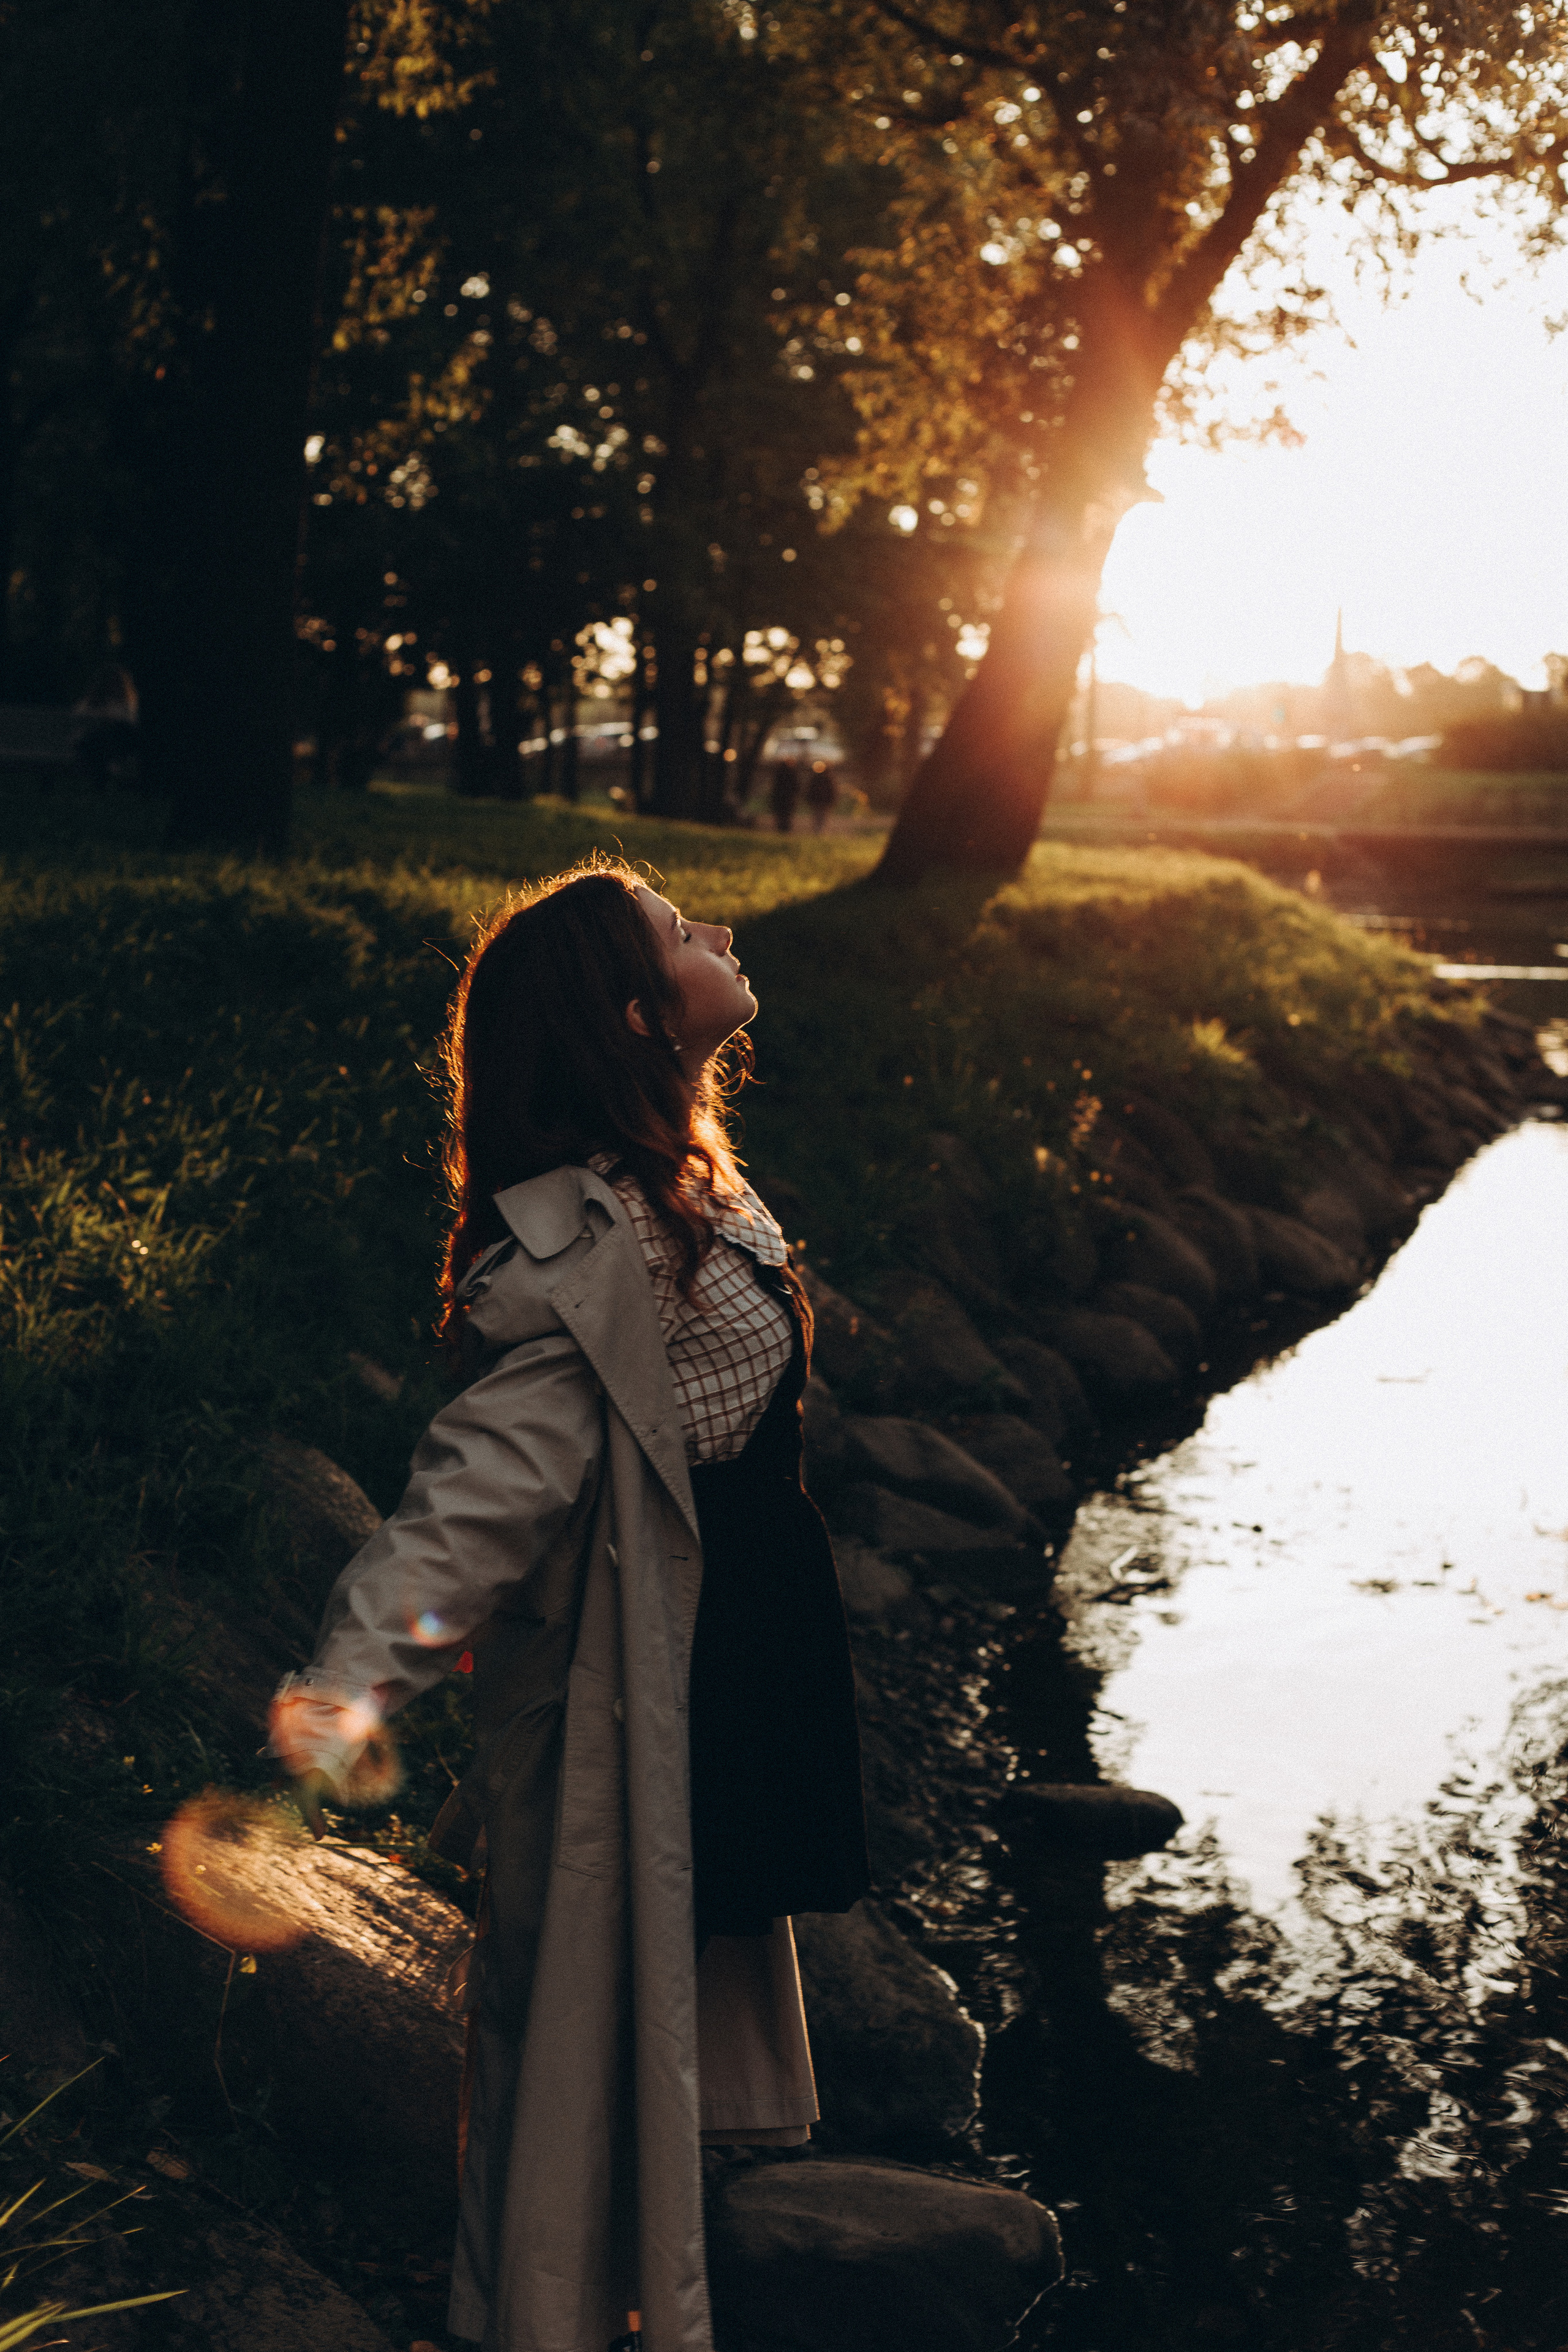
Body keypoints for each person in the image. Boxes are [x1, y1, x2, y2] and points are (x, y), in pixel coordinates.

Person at [268, 859, 869, 2352]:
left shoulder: (681, 1179)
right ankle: (547, 2318)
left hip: (730, 1646)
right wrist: (349, 1686)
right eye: (680, 929)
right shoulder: (592, 1253)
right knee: (588, 2022)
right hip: (640, 1671)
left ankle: (645, 2273)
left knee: (667, 1990)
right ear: (628, 1013)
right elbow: (474, 1490)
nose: (717, 930)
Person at [767, 757, 801, 834]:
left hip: (780, 798)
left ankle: (781, 829)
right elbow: (796, 787)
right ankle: (785, 829)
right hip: (788, 798)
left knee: (781, 815)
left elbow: (775, 787)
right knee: (787, 815)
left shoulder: (779, 774)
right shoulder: (792, 774)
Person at [804, 760, 837, 834]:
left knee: (821, 816)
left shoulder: (825, 778)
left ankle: (820, 831)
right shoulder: (826, 777)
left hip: (822, 801)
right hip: (819, 801)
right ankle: (819, 831)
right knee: (819, 816)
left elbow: (832, 790)